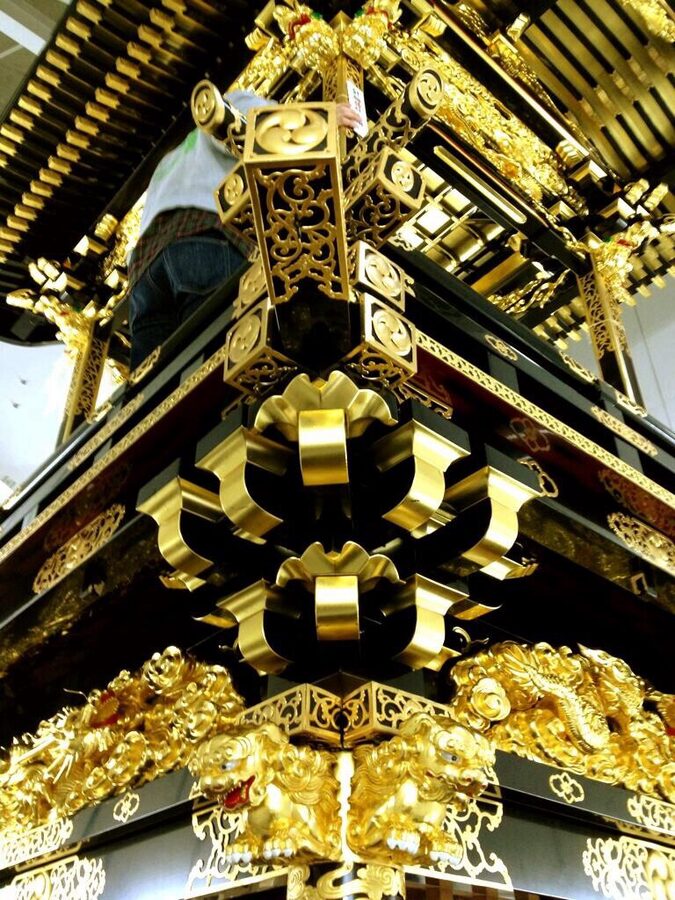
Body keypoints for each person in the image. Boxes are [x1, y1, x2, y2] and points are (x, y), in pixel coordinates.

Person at [128, 91, 362, 370]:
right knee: (211, 360)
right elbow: (257, 125)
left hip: (144, 271)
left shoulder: (168, 160)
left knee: (152, 381)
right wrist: (322, 119)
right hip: (203, 238)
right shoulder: (230, 105)